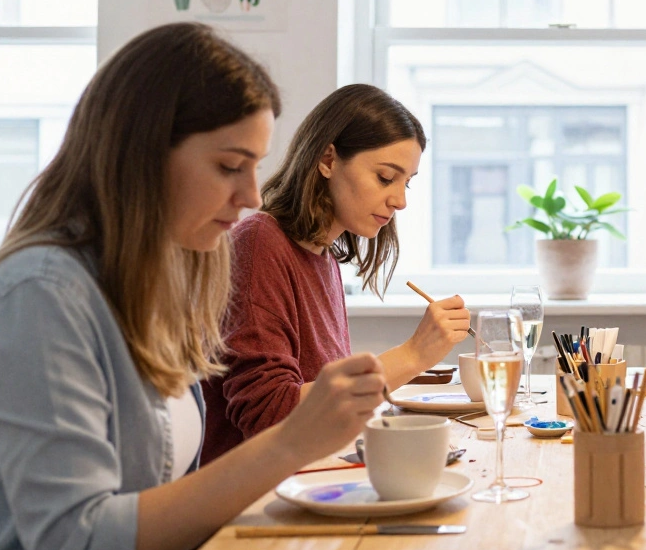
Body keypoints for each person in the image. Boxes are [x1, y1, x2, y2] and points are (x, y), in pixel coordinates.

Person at [0, 23, 384, 550]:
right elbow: (77, 543)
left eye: (255, 168)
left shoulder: (164, 280)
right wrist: (289, 444)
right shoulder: (40, 297)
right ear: (141, 153)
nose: (252, 195)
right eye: (230, 166)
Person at [201, 84, 469, 463]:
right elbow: (270, 417)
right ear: (328, 159)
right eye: (385, 177)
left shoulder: (323, 256)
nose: (401, 200)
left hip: (308, 475)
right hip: (259, 489)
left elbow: (324, 408)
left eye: (406, 182)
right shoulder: (259, 243)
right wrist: (412, 355)